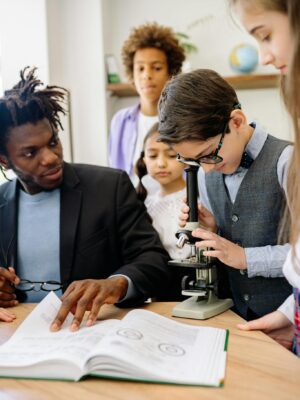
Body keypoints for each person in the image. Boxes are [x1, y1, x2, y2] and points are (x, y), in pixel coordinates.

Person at [0, 67, 170, 331]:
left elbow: (153, 259)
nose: (51, 157)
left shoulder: (109, 187)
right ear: (5, 161)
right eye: (31, 153)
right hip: (16, 332)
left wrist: (116, 283)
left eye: (53, 142)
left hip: (91, 330)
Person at [158, 68, 293, 321]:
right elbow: (230, 240)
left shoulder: (288, 162)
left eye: (209, 153)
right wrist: (214, 232)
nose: (207, 168)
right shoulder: (203, 172)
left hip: (288, 321)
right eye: (193, 160)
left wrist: (245, 258)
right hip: (234, 318)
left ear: (237, 121)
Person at [229, 0, 300, 354]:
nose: (264, 57)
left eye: (266, 35)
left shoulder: (283, 158)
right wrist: (293, 312)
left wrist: (246, 258)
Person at [109, 22, 185, 188]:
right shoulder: (121, 121)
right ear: (131, 72)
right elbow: (115, 173)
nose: (147, 75)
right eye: (140, 68)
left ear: (170, 72)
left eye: (156, 68)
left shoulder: (185, 119)